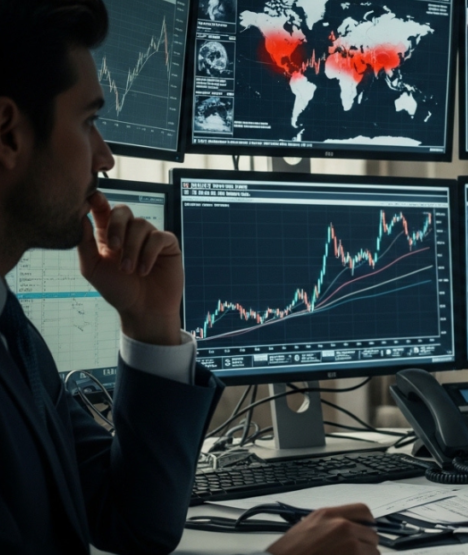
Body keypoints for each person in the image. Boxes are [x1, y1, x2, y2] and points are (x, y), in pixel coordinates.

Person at [0, 2, 378, 554]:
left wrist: (151, 326)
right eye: (87, 122)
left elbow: (132, 523)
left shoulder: (14, 332)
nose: (104, 157)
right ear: (8, 135)